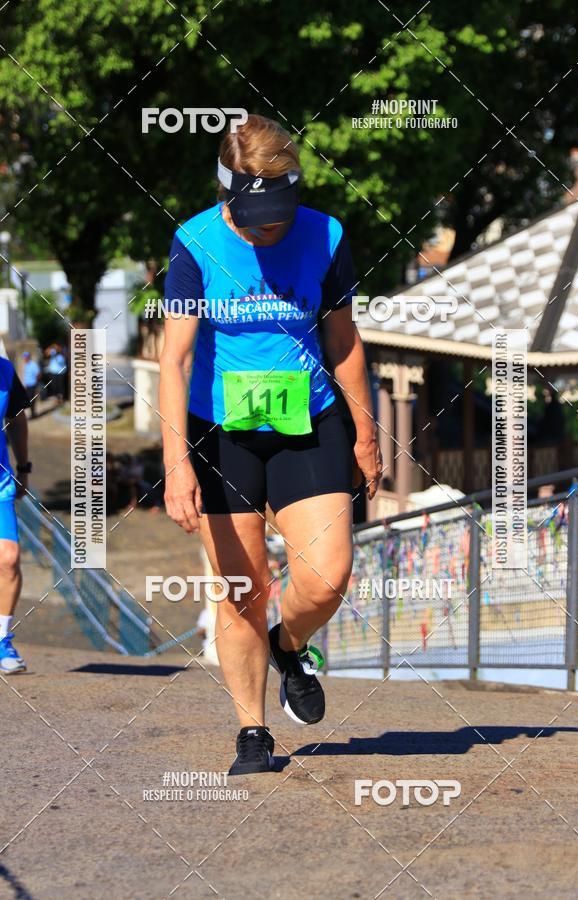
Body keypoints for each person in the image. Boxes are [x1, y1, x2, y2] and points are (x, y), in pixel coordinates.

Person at [159, 114, 382, 776]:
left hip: (307, 422)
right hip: (221, 432)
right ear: (227, 193)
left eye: (280, 214)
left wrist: (367, 435)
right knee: (242, 588)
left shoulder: (326, 235)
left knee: (327, 576)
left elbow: (343, 341)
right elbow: (174, 359)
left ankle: (289, 645)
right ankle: (252, 731)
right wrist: (176, 463)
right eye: (256, 219)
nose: (270, 229)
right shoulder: (194, 243)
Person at [0, 356, 32, 673]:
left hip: (0, 484)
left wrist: (24, 467)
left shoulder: (5, 372)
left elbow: (18, 419)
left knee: (9, 558)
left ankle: (1, 641)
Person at [22, 351, 41, 418]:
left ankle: (33, 414)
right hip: (28, 385)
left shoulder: (33, 365)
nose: (24, 359)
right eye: (24, 357)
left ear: (28, 357)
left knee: (32, 400)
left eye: (26, 357)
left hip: (33, 385)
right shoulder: (25, 365)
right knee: (29, 400)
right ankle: (32, 413)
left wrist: (36, 384)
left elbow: (38, 374)